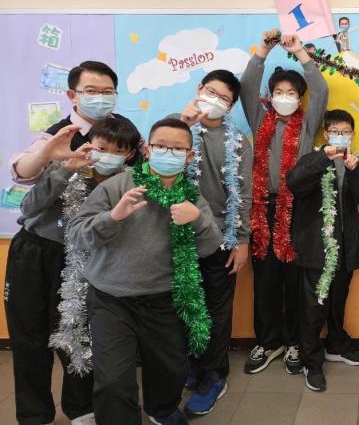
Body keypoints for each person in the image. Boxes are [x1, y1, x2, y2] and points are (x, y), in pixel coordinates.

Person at [67, 117, 223, 425]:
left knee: (170, 369)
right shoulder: (116, 187)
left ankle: (162, 410)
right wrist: (113, 217)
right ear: (148, 150)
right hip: (111, 300)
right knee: (113, 381)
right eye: (161, 146)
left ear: (189, 156)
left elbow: (209, 247)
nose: (169, 153)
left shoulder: (192, 196)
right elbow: (76, 235)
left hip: (165, 299)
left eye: (178, 149)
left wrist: (197, 220)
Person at [6, 117, 141, 425]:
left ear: (130, 154)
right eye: (102, 147)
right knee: (28, 337)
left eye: (118, 150)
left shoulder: (127, 184)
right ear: (89, 144)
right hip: (35, 253)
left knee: (79, 336)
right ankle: (34, 414)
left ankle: (81, 408)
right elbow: (29, 208)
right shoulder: (66, 167)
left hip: (83, 262)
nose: (107, 155)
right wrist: (65, 170)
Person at [240, 30, 329, 375]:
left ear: (300, 99)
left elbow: (321, 90)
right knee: (265, 280)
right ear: (270, 96)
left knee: (294, 280)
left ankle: (293, 342)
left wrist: (301, 53)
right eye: (279, 92)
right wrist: (263, 49)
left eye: (292, 94)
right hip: (262, 207)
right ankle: (268, 341)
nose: (285, 98)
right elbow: (247, 86)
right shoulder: (260, 120)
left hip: (297, 209)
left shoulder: (307, 124)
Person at [175, 70, 253, 415]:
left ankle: (215, 376)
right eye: (211, 92)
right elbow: (157, 172)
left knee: (217, 311)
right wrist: (183, 124)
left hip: (222, 236)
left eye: (224, 98)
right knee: (186, 304)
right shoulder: (176, 129)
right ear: (198, 89)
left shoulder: (239, 142)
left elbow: (244, 194)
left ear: (231, 106)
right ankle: (193, 364)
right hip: (179, 234)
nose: (215, 100)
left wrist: (242, 241)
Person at [286, 109, 359, 392]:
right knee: (313, 308)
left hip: (345, 248)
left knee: (338, 302)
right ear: (326, 134)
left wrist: (355, 170)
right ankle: (312, 362)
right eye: (335, 131)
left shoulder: (353, 162)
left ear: (352, 135)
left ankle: (336, 345)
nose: (341, 135)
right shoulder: (312, 159)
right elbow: (294, 182)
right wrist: (323, 157)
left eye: (346, 132)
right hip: (317, 248)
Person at [11, 60, 125, 184]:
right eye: (91, 91)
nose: (100, 98)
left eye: (107, 92)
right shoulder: (58, 135)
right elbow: (20, 172)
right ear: (72, 96)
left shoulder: (124, 124)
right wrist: (42, 156)